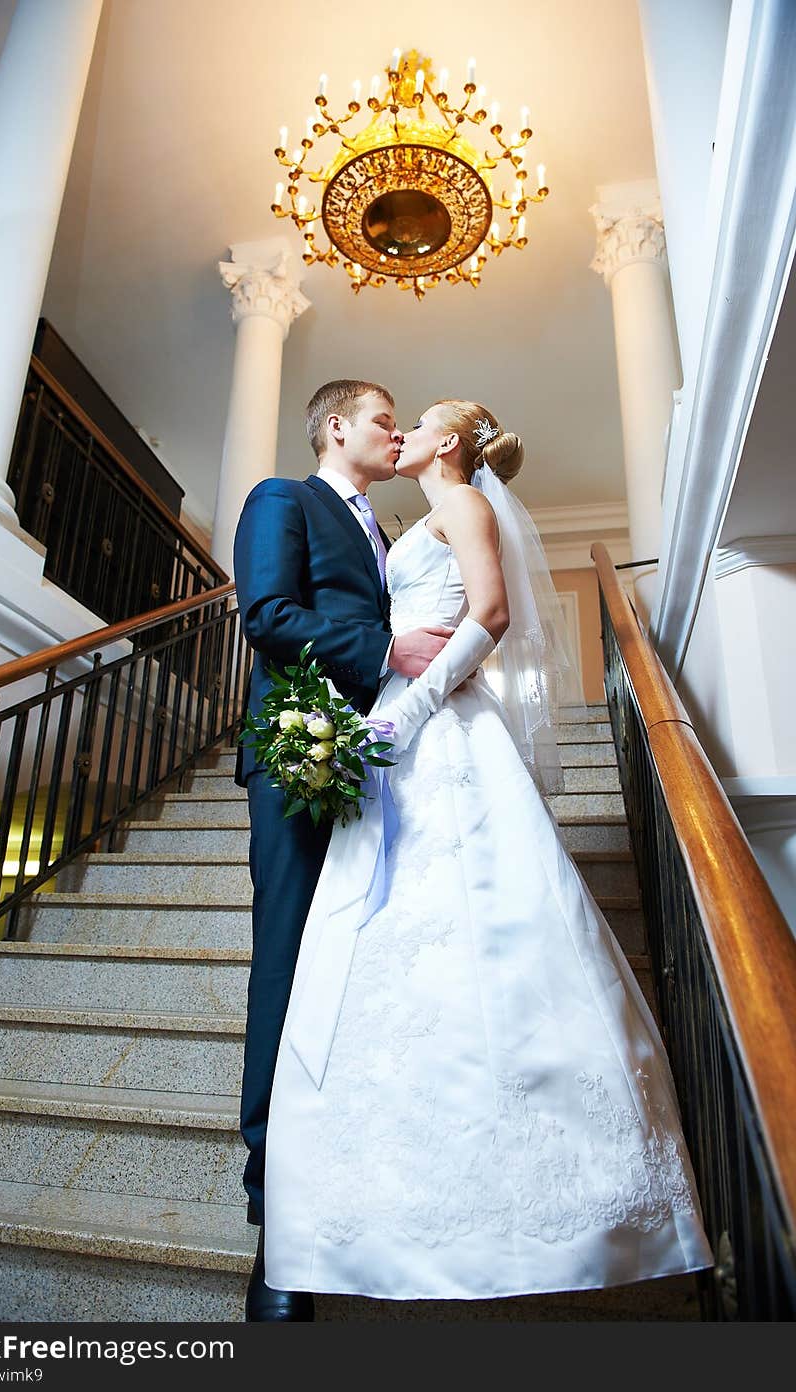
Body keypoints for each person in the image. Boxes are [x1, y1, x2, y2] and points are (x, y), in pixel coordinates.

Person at [262, 398, 714, 1302]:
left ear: (453, 441)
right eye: (389, 419)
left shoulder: (463, 502)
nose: (404, 434)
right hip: (400, 721)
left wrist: (411, 710)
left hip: (438, 727)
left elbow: (493, 615)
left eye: (417, 421)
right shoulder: (407, 524)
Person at [232, 380, 454, 1320]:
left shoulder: (388, 526)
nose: (395, 432)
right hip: (297, 753)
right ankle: (272, 1219)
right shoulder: (283, 499)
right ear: (335, 427)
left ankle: (343, 1175)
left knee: (357, 972)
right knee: (288, 961)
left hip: (371, 763)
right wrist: (387, 646)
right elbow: (269, 617)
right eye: (381, 418)